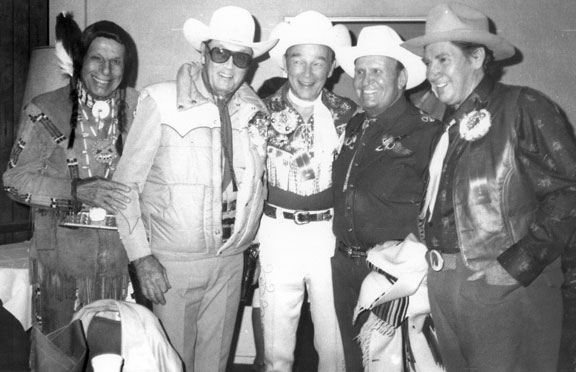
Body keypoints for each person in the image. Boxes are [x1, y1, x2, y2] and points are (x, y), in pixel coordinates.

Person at [403, 3, 576, 371]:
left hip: (502, 287)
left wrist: (514, 266)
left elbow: (571, 190)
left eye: (442, 60)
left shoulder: (523, 106)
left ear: (476, 58)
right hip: (445, 284)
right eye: (428, 63)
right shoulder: (448, 124)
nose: (432, 73)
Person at [112, 6, 277, 372]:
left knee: (214, 364)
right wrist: (141, 257)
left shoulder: (254, 110)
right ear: (203, 52)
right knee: (173, 363)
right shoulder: (160, 100)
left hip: (231, 260)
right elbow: (124, 188)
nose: (228, 65)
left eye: (241, 57)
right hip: (173, 264)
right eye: (220, 53)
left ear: (250, 64)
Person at [3, 14, 138, 335]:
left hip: (122, 261)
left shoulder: (138, 107)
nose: (106, 71)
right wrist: (75, 190)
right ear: (79, 61)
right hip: (61, 263)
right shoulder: (45, 108)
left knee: (113, 355)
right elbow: (14, 181)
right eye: (97, 59)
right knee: (60, 354)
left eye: (116, 62)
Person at [331, 25, 442, 372]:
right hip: (345, 267)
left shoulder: (429, 133)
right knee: (355, 360)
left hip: (393, 272)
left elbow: (439, 212)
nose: (365, 81)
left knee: (392, 362)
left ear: (402, 77)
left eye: (377, 71)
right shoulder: (355, 125)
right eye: (360, 72)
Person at [252, 10, 357, 372]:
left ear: (332, 69)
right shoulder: (258, 114)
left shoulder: (350, 115)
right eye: (299, 61)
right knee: (276, 346)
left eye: (318, 63)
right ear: (284, 63)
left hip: (330, 234)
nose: (308, 74)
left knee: (334, 344)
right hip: (277, 233)